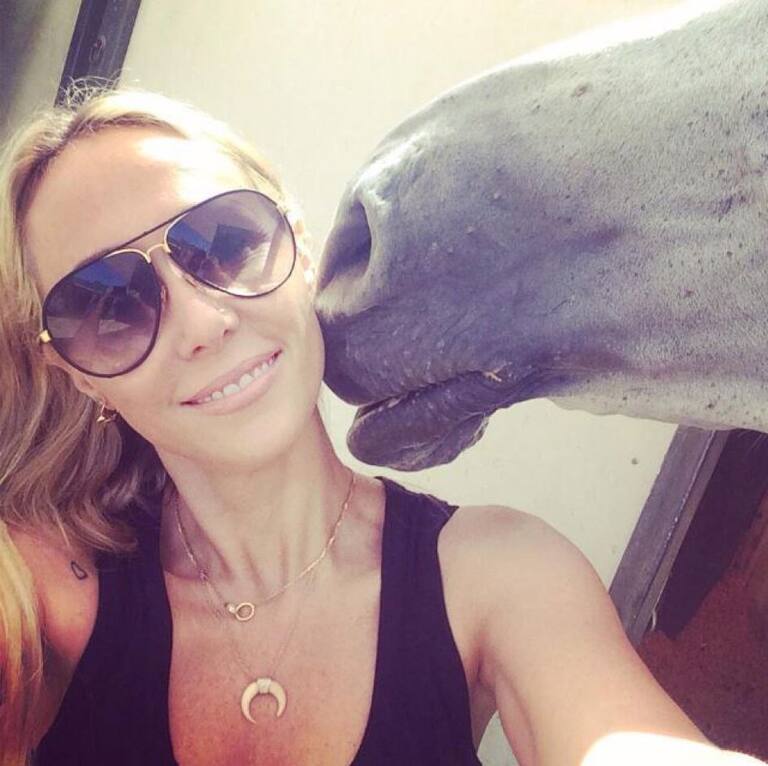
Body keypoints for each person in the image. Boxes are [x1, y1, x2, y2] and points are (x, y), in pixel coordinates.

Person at [0, 82, 751, 766]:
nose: (202, 323)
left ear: (299, 248)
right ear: (74, 372)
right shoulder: (50, 588)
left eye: (224, 242)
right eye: (108, 303)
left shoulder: (497, 574)